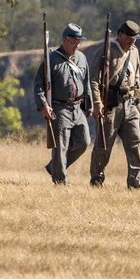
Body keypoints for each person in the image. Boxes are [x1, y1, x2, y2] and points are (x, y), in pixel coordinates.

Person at [89, 20, 140, 190]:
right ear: (121, 35)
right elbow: (93, 79)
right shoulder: (105, 51)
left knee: (135, 142)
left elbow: (136, 79)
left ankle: (135, 181)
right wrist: (97, 102)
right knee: (104, 144)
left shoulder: (135, 52)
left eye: (135, 38)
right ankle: (96, 179)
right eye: (130, 38)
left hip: (131, 103)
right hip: (110, 104)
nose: (133, 42)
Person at [34, 23, 93, 185]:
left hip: (77, 106)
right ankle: (60, 180)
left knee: (84, 142)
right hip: (59, 108)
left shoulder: (81, 58)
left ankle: (55, 167)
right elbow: (38, 84)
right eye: (73, 42)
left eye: (79, 42)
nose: (77, 45)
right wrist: (43, 105)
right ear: (64, 40)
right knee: (61, 146)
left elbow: (86, 82)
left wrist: (89, 105)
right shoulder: (51, 60)